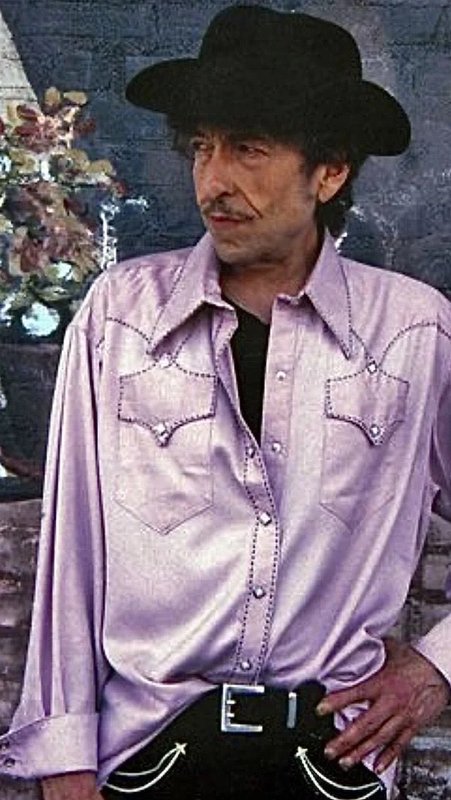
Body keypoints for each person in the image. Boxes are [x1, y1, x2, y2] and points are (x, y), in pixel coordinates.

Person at [0, 5, 450, 799]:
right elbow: (73, 549)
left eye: (249, 148)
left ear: (329, 171)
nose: (214, 180)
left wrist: (435, 667)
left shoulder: (414, 331)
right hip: (147, 755)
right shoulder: (121, 316)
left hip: (330, 764)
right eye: (203, 147)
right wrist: (64, 757)